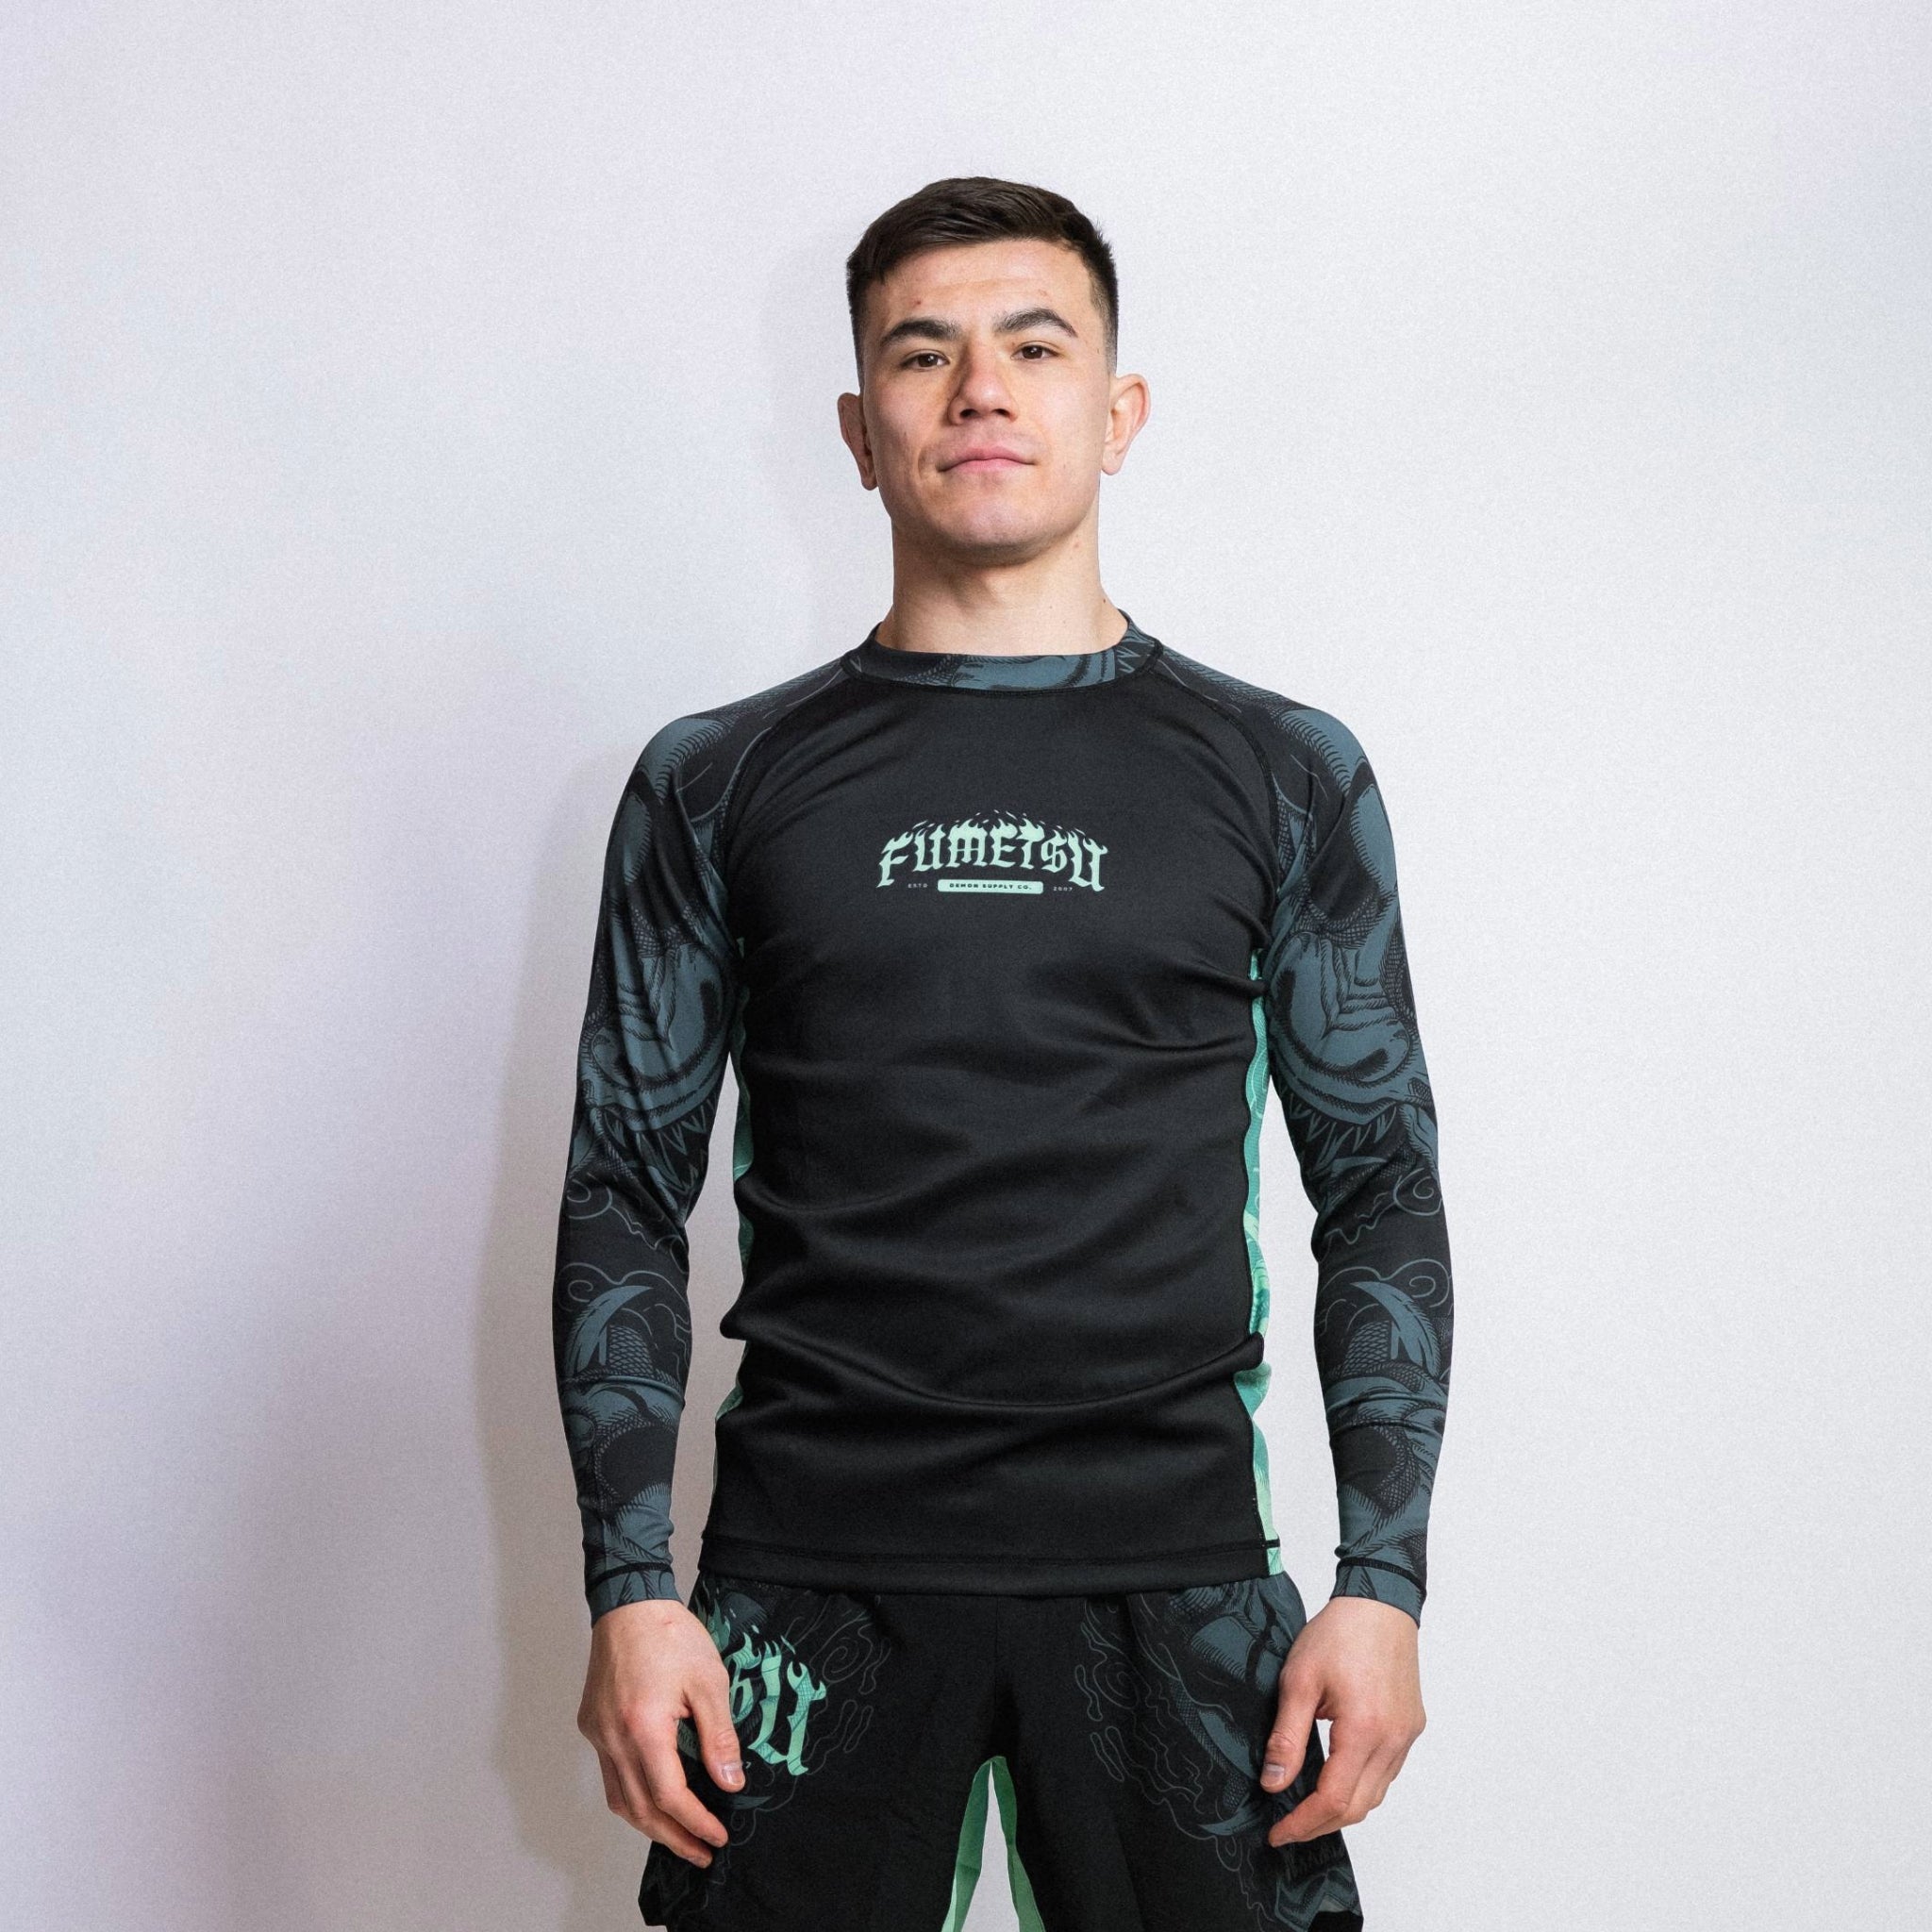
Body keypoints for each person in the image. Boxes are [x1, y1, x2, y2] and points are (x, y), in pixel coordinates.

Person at [552, 175, 1454, 1932]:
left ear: (1117, 413)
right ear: (858, 431)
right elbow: (621, 1192)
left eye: (1036, 347)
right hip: (807, 1577)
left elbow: (1381, 1185)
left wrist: (1385, 1584)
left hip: (1174, 1569)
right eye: (923, 352)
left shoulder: (1285, 773)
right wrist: (628, 1588)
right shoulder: (714, 783)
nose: (980, 388)